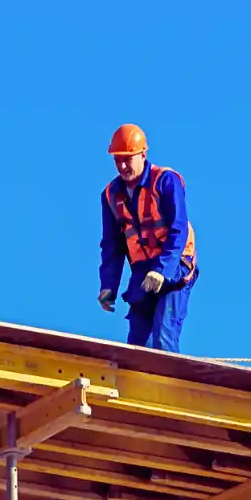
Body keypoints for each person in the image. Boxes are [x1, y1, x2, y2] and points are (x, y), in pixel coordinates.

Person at [98, 124, 196, 351]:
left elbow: (178, 229)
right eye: (117, 159)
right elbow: (112, 245)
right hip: (143, 270)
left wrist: (162, 270)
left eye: (127, 159)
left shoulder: (165, 181)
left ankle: (171, 385)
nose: (122, 166)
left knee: (163, 337)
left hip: (176, 264)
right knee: (137, 347)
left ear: (143, 154)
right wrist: (108, 285)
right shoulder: (112, 195)